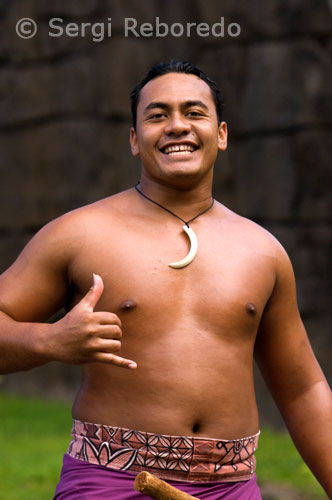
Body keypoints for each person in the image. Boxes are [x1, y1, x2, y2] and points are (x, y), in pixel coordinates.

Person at [0, 60, 331, 500]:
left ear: (222, 133)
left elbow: (303, 389)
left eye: (194, 113)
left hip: (232, 488)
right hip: (110, 483)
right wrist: (49, 342)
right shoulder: (78, 234)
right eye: (157, 116)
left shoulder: (263, 251)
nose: (178, 126)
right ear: (135, 140)